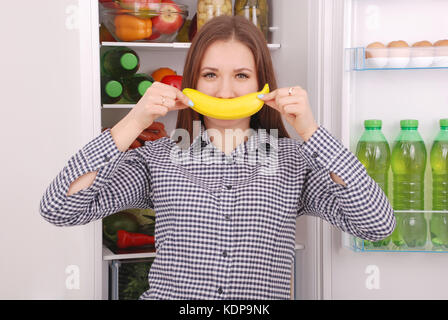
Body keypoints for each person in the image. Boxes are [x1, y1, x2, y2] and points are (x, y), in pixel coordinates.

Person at [39, 15, 395, 300]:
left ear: (262, 85)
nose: (225, 92)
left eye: (241, 75)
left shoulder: (294, 161)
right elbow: (60, 207)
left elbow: (376, 225)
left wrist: (312, 133)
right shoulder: (159, 159)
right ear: (191, 83)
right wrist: (134, 120)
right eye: (210, 75)